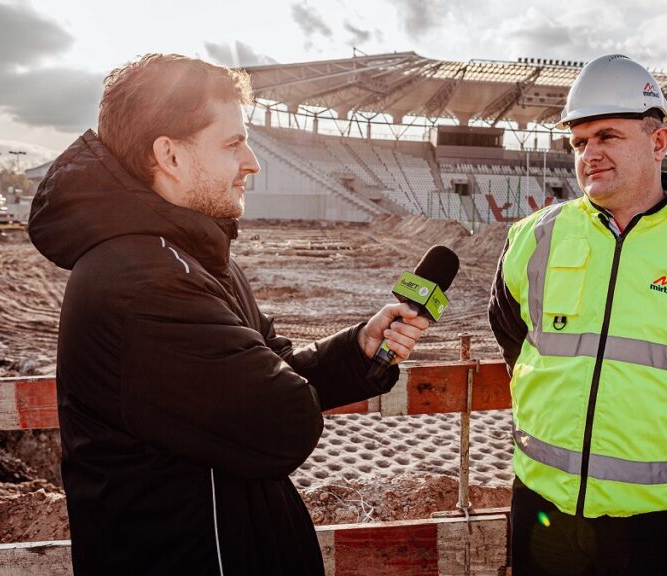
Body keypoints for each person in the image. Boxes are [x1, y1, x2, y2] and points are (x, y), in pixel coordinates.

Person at [28, 54, 430, 575]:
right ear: (169, 155)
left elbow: (272, 363)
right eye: (232, 142)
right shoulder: (141, 283)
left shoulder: (189, 255)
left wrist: (357, 350)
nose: (252, 162)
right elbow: (279, 421)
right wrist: (286, 387)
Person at [488, 54, 667, 576]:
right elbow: (511, 334)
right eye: (579, 142)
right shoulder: (534, 237)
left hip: (654, 522)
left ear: (659, 142)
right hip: (542, 505)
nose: (589, 154)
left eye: (607, 137)